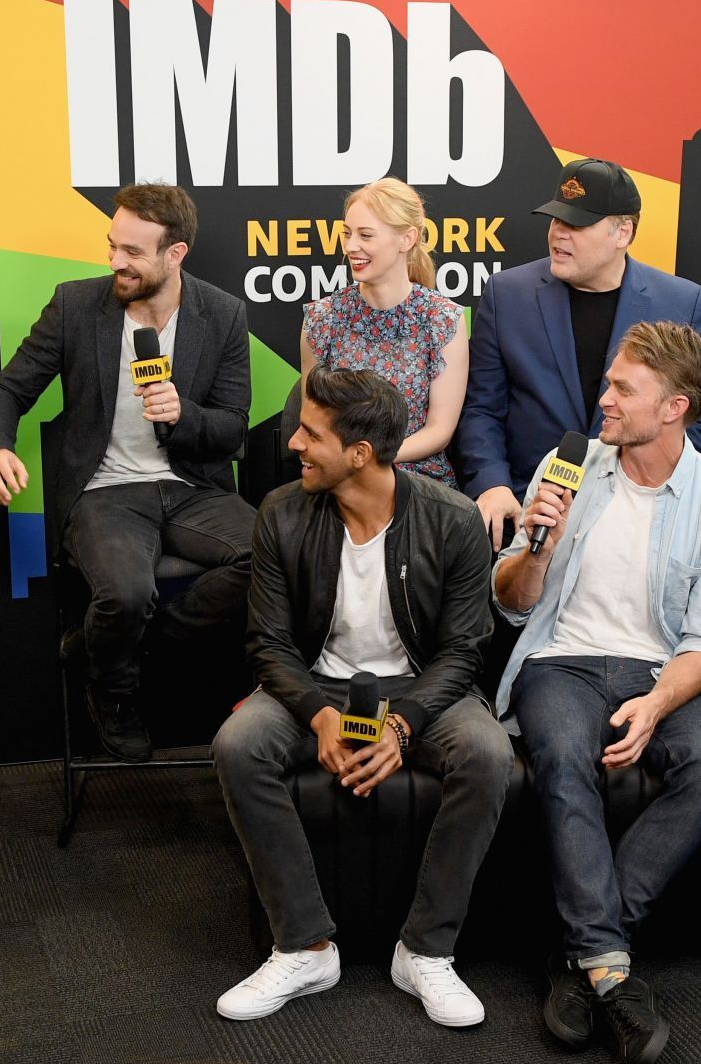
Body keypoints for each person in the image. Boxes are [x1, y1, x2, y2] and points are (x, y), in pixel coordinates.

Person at [492, 320, 701, 1064]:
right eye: (609, 382)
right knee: (563, 754)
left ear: (674, 407)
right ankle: (615, 970)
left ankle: (586, 955)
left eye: (622, 389)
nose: (602, 398)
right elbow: (512, 603)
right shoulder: (568, 465)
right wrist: (538, 542)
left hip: (660, 668)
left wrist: (657, 702)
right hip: (562, 661)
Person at [215, 367, 511, 1028]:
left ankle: (427, 950)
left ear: (359, 453)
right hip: (314, 684)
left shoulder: (453, 519)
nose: (293, 442)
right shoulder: (281, 512)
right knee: (238, 744)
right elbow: (266, 643)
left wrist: (401, 727)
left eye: (311, 433)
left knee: (489, 754)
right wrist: (320, 715)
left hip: (418, 687)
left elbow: (464, 650)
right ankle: (304, 945)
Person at [0, 183, 255, 762]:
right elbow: (9, 388)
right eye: (112, 246)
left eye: (132, 252)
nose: (115, 262)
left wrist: (184, 415)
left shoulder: (222, 314)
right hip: (105, 492)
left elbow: (232, 429)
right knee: (126, 594)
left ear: (174, 254)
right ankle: (113, 689)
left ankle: (115, 646)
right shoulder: (77, 306)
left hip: (192, 488)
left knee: (278, 560)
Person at [456, 158, 701, 541]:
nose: (559, 234)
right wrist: (492, 484)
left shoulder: (682, 303)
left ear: (623, 231)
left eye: (577, 224)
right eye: (556, 220)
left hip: (644, 512)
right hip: (528, 505)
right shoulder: (507, 295)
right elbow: (482, 409)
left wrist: (649, 493)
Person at [299, 178, 467, 485]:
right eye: (348, 234)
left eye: (365, 235)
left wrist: (371, 458)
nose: (351, 247)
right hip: (340, 478)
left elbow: (439, 431)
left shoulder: (442, 320)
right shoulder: (322, 319)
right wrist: (350, 462)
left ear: (407, 239)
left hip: (418, 481)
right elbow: (312, 422)